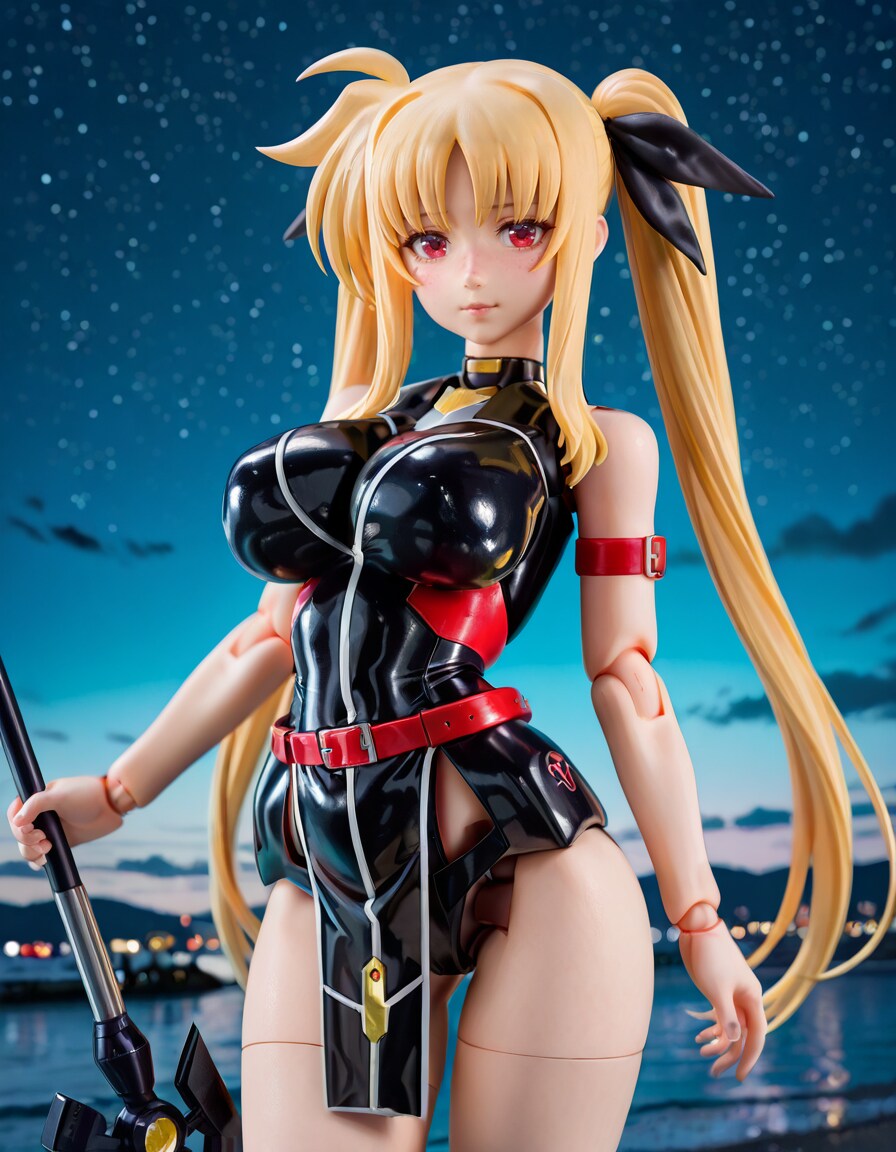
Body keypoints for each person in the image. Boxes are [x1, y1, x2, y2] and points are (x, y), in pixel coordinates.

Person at [8, 47, 895, 1152]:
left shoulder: (598, 444)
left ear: (583, 235)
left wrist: (700, 917)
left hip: (520, 854)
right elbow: (269, 636)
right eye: (429, 240)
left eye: (516, 229)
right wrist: (120, 791)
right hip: (327, 851)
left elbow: (628, 677)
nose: (469, 271)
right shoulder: (364, 419)